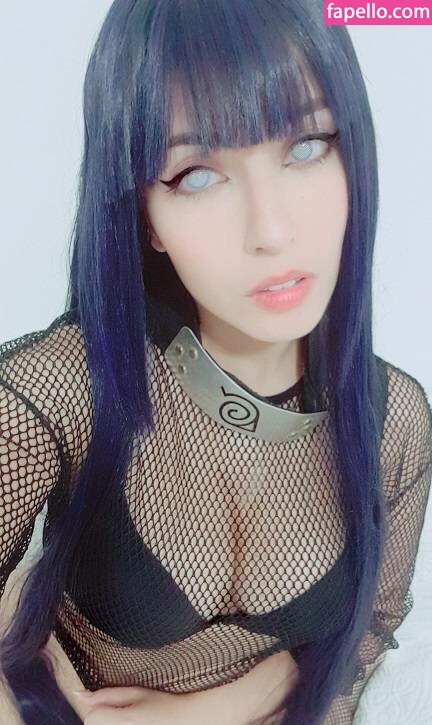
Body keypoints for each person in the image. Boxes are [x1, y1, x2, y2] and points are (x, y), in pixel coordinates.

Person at [0, 1, 431, 724]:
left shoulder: (395, 423)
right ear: (145, 216)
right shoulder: (65, 388)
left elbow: (373, 625)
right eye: (197, 175)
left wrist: (238, 699)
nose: (271, 230)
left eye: (307, 145)